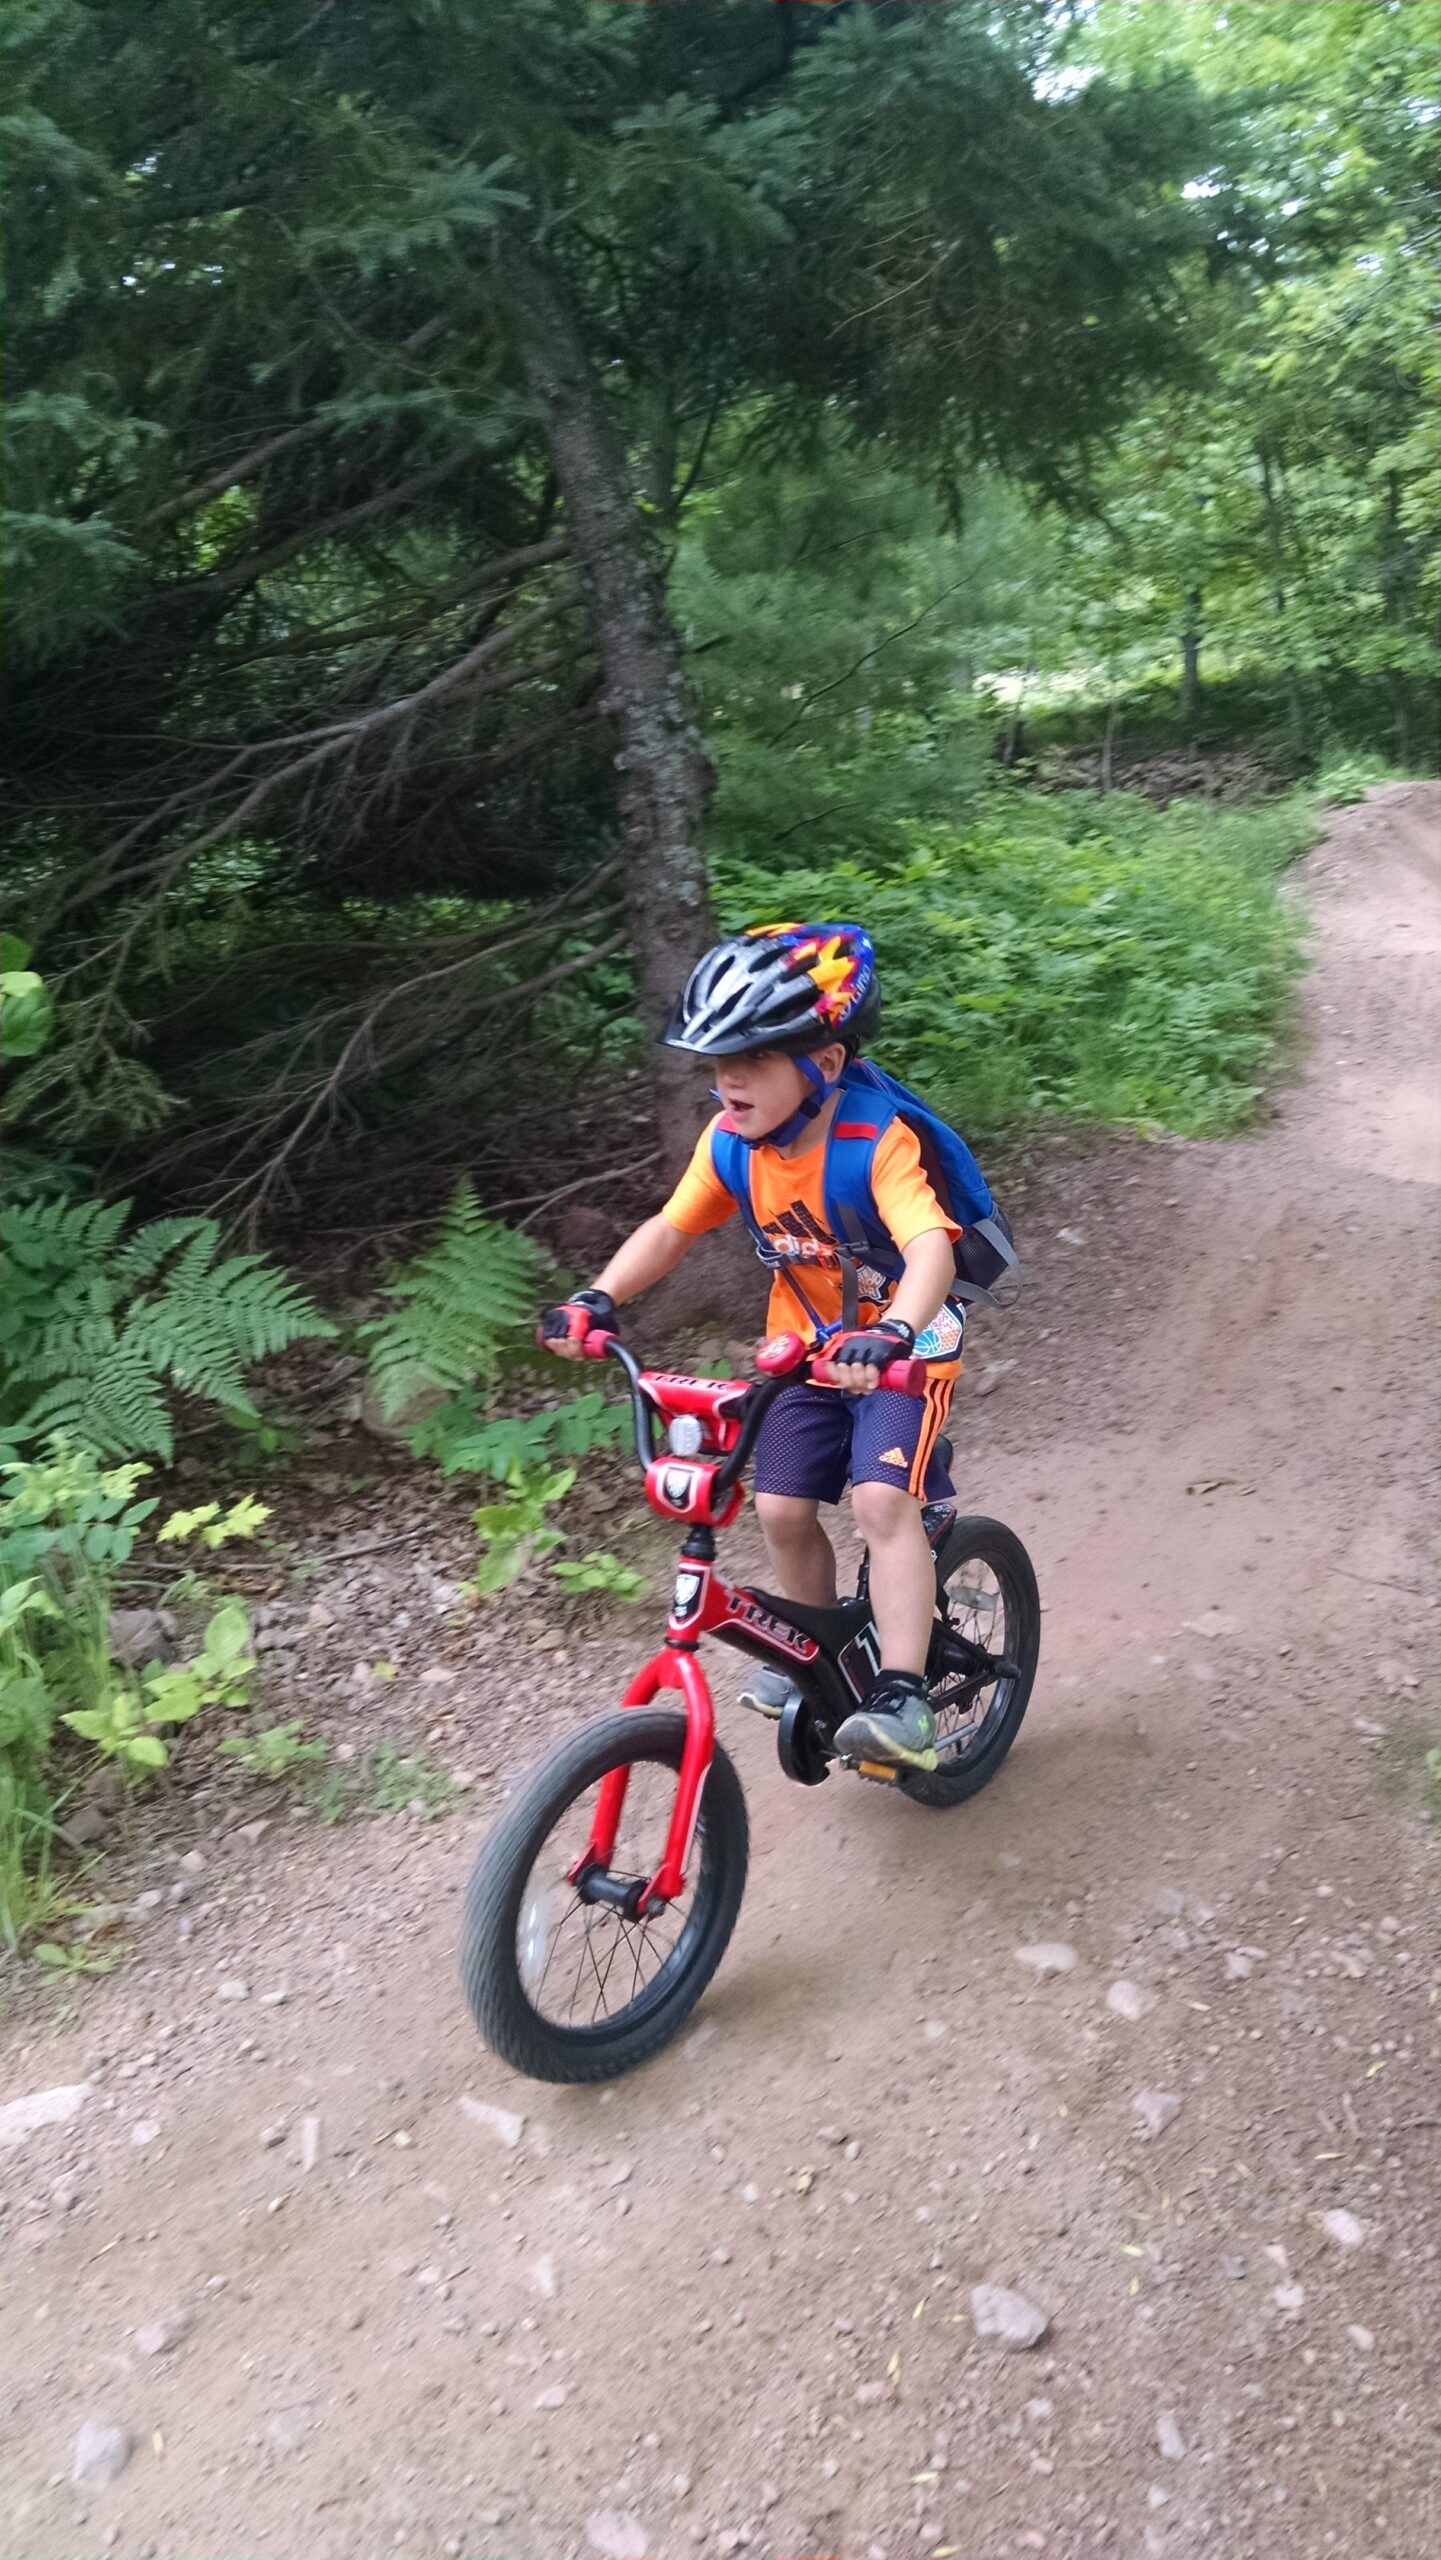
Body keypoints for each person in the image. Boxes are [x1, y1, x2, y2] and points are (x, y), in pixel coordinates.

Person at [539, 922, 968, 1769]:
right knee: (777, 1507)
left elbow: (930, 1250)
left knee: (882, 1503)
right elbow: (670, 1229)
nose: (727, 1079)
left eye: (757, 1057)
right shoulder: (729, 1142)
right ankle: (815, 1653)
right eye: (717, 1061)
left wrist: (891, 1333)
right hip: (803, 1349)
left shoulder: (872, 1140)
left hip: (904, 1345)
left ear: (827, 1065)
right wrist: (597, 1299)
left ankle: (904, 1695)